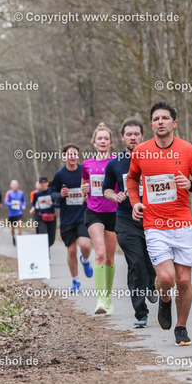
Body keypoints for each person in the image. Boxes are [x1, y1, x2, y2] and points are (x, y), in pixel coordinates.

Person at [127, 102, 192, 346]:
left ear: (174, 123)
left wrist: (191, 184)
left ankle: (181, 327)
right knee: (166, 278)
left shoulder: (187, 150)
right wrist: (135, 202)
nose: (160, 122)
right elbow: (132, 179)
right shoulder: (141, 152)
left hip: (182, 224)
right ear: (151, 125)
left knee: (183, 281)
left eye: (165, 118)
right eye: (156, 119)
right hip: (154, 224)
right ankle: (165, 301)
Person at [103, 117, 157, 328]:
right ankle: (140, 312)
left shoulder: (153, 158)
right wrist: (114, 196)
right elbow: (106, 189)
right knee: (135, 262)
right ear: (122, 137)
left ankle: (151, 281)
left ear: (143, 136)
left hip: (152, 218)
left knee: (151, 261)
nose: (133, 137)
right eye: (129, 134)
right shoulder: (114, 163)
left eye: (136, 134)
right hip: (126, 219)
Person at [81, 123, 118, 315]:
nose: (103, 141)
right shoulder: (87, 164)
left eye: (106, 139)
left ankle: (109, 297)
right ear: (94, 142)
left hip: (113, 212)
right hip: (94, 211)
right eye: (99, 139)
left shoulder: (117, 162)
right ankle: (100, 300)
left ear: (111, 143)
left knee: (110, 257)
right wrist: (84, 189)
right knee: (100, 254)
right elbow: (84, 186)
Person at [50, 144, 93, 292]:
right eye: (69, 154)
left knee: (85, 245)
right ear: (64, 156)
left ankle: (85, 260)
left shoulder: (84, 171)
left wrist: (88, 194)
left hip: (83, 215)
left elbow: (94, 188)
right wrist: (60, 195)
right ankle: (76, 281)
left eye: (75, 154)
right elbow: (52, 193)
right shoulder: (60, 175)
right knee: (72, 251)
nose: (72, 157)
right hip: (67, 218)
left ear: (78, 155)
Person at [30, 176, 59, 249]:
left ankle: (47, 248)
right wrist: (33, 208)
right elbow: (33, 203)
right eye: (41, 183)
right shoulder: (36, 194)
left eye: (44, 182)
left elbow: (59, 204)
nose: (43, 184)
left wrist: (51, 204)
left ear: (47, 183)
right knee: (43, 235)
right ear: (39, 184)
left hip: (51, 218)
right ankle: (46, 253)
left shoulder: (52, 193)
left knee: (51, 239)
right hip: (41, 218)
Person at [4, 180, 26, 246]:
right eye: (13, 185)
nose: (15, 186)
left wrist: (24, 205)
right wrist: (12, 204)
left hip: (19, 212)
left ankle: (20, 240)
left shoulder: (21, 193)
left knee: (19, 225)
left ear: (18, 185)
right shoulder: (9, 193)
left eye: (16, 185)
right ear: (11, 186)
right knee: (12, 228)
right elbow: (5, 202)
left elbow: (24, 201)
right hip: (11, 213)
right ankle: (13, 237)